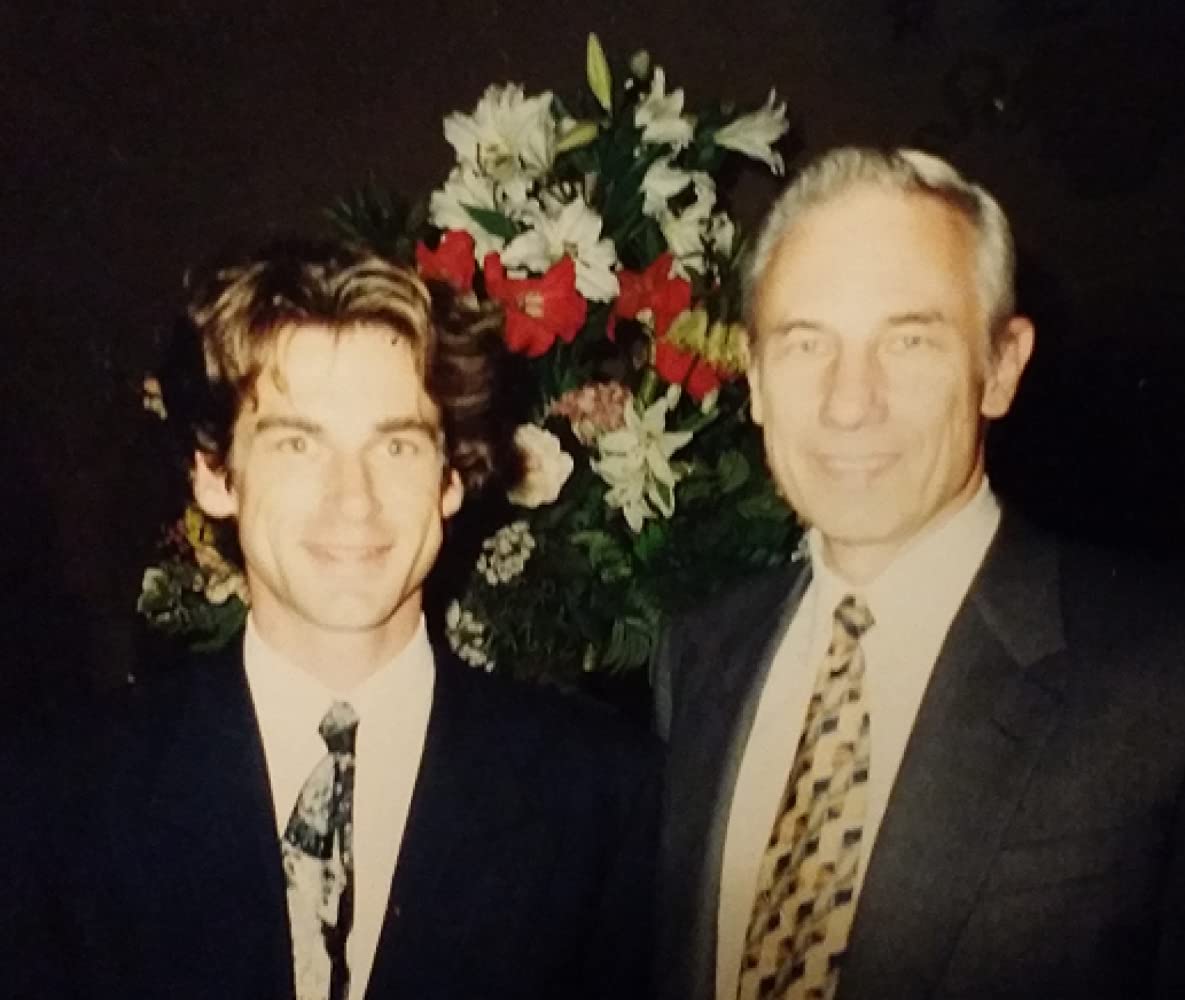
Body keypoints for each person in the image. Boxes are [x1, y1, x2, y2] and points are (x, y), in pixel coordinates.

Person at [2, 239, 656, 1000]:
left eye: (396, 446)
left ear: (450, 479)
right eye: (298, 444)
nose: (354, 499)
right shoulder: (60, 795)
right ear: (215, 475)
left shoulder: (602, 797)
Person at [653, 147, 1185, 1000]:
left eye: (907, 340)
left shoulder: (1157, 669)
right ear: (752, 378)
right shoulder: (701, 657)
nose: (848, 403)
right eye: (805, 343)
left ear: (1000, 367)